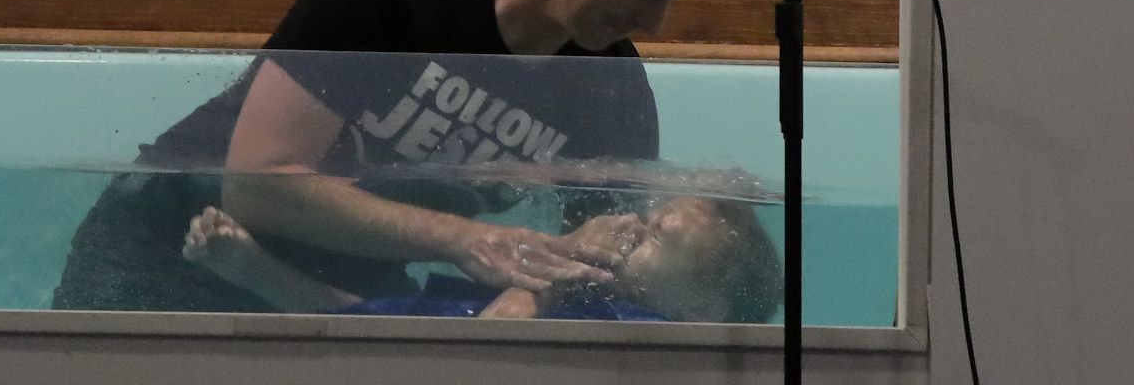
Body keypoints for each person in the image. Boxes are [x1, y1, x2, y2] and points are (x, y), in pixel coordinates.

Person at [52, 0, 750, 312]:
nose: (654, 23)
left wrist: (523, 293)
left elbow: (595, 266)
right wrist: (469, 239)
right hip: (163, 249)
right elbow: (258, 186)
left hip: (345, 297)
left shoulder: (610, 90)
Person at [180, 194, 783, 324]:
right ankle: (260, 275)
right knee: (378, 320)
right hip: (456, 330)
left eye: (656, 239)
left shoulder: (646, 332)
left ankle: (260, 277)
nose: (630, 230)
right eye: (646, 219)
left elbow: (490, 351)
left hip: (469, 348)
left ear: (707, 306)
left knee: (388, 331)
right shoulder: (601, 295)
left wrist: (536, 284)